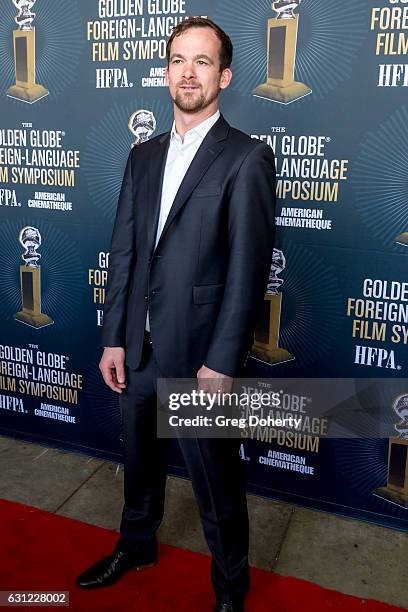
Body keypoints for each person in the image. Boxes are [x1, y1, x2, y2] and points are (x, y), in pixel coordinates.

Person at [76, 17, 276, 612]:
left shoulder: (246, 158)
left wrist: (222, 360)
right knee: (138, 465)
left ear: (225, 75)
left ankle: (230, 590)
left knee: (215, 484)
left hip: (198, 357)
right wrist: (114, 338)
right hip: (136, 349)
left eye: (203, 62)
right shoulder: (143, 155)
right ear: (166, 71)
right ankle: (136, 546)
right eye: (178, 60)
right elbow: (125, 251)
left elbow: (248, 269)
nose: (188, 72)